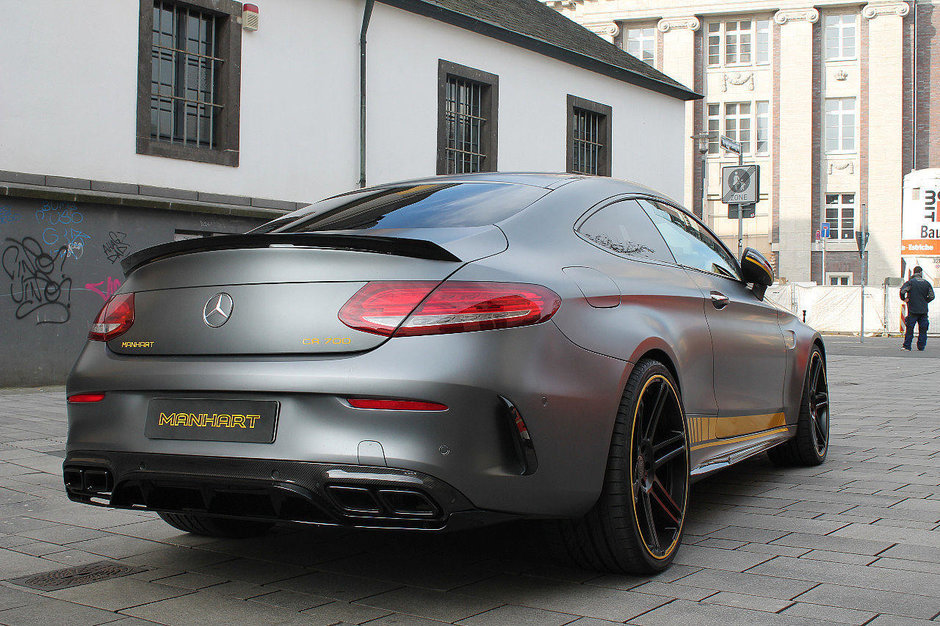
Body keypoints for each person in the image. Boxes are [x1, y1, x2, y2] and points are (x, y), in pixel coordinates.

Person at [900, 266, 935, 351]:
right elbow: (932, 296)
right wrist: (925, 301)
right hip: (923, 310)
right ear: (921, 273)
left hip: (913, 310)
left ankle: (907, 346)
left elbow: (902, 291)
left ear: (914, 273)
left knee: (910, 328)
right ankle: (921, 346)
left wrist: (904, 299)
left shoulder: (910, 283)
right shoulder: (926, 283)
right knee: (923, 329)